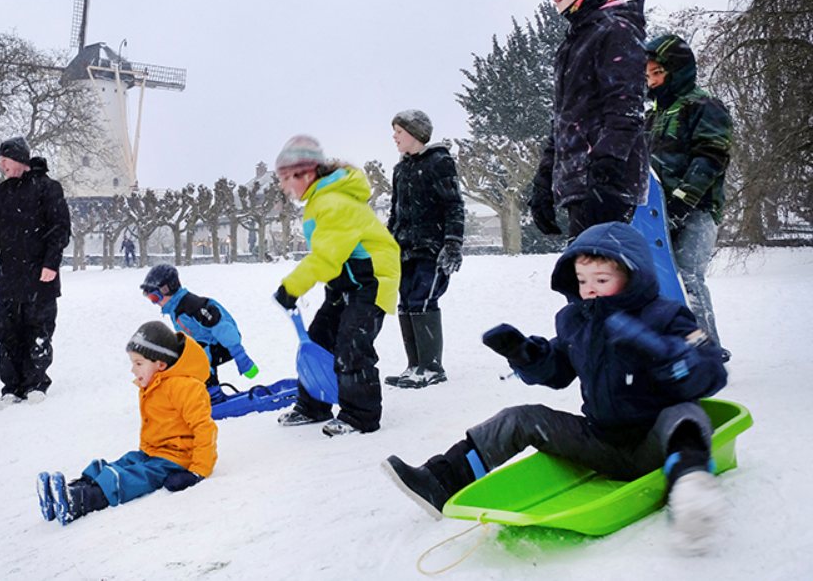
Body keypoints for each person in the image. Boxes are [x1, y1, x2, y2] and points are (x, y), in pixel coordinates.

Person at [382, 222, 728, 555]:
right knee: (520, 419)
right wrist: (527, 356)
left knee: (684, 415)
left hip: (656, 441)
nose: (589, 289)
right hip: (601, 442)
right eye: (582, 280)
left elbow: (711, 370)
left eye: (602, 279)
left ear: (633, 277)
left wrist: (662, 353)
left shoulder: (667, 316)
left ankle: (691, 489)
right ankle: (441, 479)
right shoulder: (576, 320)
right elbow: (559, 369)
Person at [271, 135, 400, 437]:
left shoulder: (333, 202)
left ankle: (361, 415)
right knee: (317, 339)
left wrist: (291, 287)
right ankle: (312, 406)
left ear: (308, 173)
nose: (284, 186)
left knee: (352, 344)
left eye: (288, 178)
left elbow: (327, 257)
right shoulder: (321, 200)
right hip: (347, 282)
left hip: (371, 281)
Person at [530, 0, 649, 240]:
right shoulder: (576, 40)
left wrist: (607, 168)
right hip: (580, 185)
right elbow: (565, 120)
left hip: (606, 184)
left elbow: (625, 106)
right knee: (585, 281)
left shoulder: (616, 31)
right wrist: (545, 181)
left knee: (603, 281)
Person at [35, 321, 217, 526]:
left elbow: (204, 427)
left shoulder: (185, 387)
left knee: (133, 477)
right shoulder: (155, 382)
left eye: (138, 363)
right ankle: (77, 488)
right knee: (123, 463)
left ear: (161, 364)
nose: (133, 369)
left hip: (176, 458)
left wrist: (197, 472)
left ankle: (83, 500)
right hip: (152, 451)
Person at [645, 34, 734, 362]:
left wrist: (684, 200)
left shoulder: (703, 106)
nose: (652, 81)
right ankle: (675, 349)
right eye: (648, 75)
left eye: (659, 73)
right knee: (660, 281)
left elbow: (711, 156)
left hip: (698, 208)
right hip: (657, 212)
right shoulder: (653, 115)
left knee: (688, 276)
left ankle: (707, 351)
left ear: (677, 70)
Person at [0, 136, 72, 408]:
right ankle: (11, 387)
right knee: (7, 332)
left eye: (5, 160)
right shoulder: (1, 193)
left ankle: (36, 383)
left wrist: (50, 264)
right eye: (0, 161)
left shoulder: (48, 188)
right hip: (9, 276)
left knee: (39, 329)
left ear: (19, 159)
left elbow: (60, 229)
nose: (2, 166)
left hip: (39, 276)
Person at [385, 109, 466, 389]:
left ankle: (432, 367)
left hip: (431, 247)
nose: (394, 136)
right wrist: (387, 244)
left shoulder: (439, 162)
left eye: (399, 131)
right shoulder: (400, 169)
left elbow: (453, 204)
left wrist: (453, 243)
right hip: (403, 248)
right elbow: (395, 213)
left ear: (415, 134)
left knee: (423, 299)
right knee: (406, 301)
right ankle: (414, 366)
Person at [140, 263, 258, 393]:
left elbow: (222, 328)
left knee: (197, 356)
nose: (155, 302)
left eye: (155, 297)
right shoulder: (175, 308)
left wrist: (240, 356)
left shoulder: (192, 306)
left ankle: (212, 391)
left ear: (167, 289)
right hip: (206, 345)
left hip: (224, 344)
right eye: (150, 298)